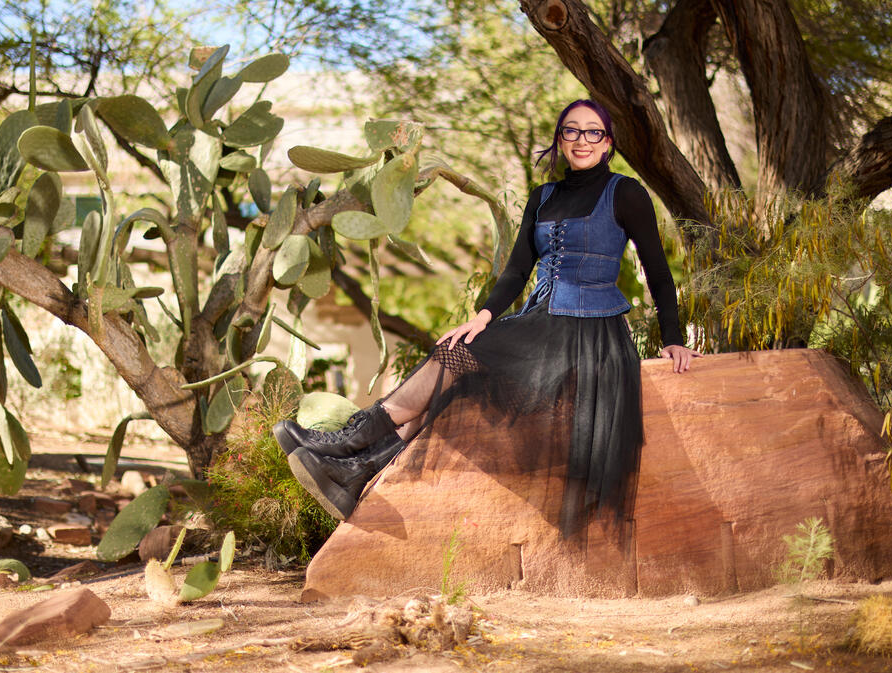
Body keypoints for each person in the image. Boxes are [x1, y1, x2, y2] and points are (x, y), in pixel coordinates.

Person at [274, 99, 700, 535]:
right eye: (571, 131)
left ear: (607, 143)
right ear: (560, 139)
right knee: (456, 355)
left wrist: (673, 336)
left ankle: (351, 440)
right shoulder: (543, 197)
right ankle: (355, 470)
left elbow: (658, 271)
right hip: (541, 322)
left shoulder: (625, 193)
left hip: (590, 332)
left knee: (455, 361)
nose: (581, 140)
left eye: (593, 132)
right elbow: (517, 270)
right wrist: (483, 316)